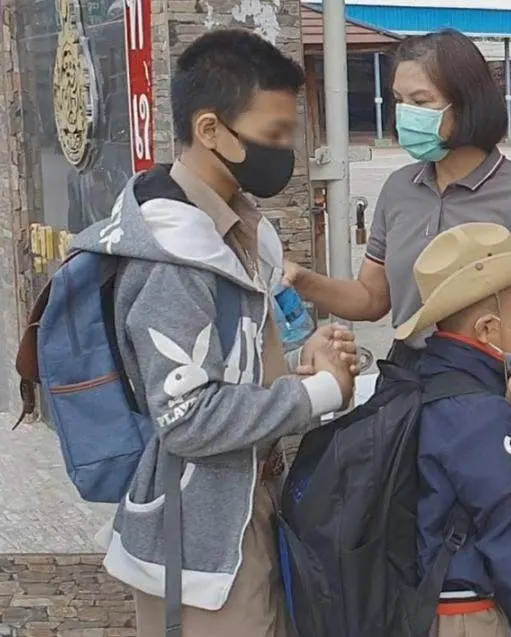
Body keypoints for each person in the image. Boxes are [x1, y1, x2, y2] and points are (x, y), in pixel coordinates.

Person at [285, 29, 511, 635]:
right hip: (412, 396)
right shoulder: (400, 190)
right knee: (417, 548)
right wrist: (305, 280)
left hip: (499, 391)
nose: (405, 115)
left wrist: (498, 402)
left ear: (465, 101)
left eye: (420, 101)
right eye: (399, 100)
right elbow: (373, 299)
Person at [75, 30, 357, 636]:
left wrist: (304, 364)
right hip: (200, 540)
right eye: (274, 133)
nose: (284, 150)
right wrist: (317, 393)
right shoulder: (172, 255)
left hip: (247, 509)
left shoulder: (238, 230)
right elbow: (186, 417)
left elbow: (241, 370)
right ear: (210, 129)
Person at [394, 222, 511, 637]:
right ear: (487, 329)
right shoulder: (480, 411)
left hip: (430, 596)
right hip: (471, 612)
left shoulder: (423, 379)